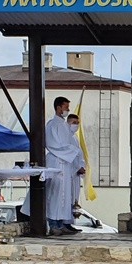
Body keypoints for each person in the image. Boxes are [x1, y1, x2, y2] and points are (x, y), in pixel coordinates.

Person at [45, 97, 82, 236]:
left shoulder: (65, 126)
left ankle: (62, 223)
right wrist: (71, 151)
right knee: (56, 195)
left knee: (65, 196)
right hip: (57, 162)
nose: (67, 110)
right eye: (66, 107)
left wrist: (73, 154)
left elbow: (70, 144)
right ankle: (53, 224)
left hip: (66, 163)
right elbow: (53, 144)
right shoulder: (52, 124)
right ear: (59, 107)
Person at [61, 114, 86, 233]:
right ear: (68, 123)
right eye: (74, 122)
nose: (76, 125)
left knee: (73, 199)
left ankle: (70, 222)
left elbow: (79, 155)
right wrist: (77, 167)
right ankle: (64, 223)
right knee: (66, 198)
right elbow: (67, 156)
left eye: (77, 122)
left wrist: (82, 167)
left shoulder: (75, 137)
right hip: (69, 172)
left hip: (75, 174)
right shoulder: (65, 137)